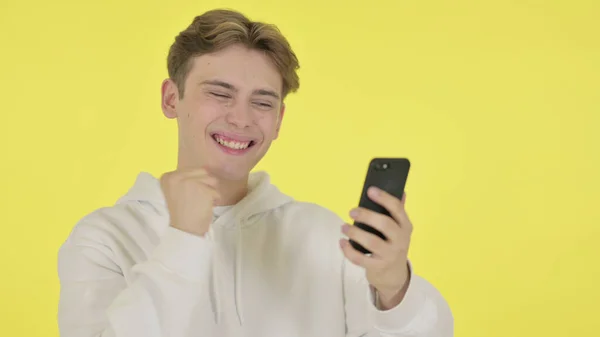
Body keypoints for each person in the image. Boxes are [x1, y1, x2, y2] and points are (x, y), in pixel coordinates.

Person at [57, 8, 453, 337]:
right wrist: (183, 241)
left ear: (279, 120)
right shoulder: (104, 239)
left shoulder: (324, 237)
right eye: (219, 93)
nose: (241, 119)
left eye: (262, 102)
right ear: (171, 98)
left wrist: (394, 287)